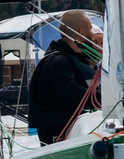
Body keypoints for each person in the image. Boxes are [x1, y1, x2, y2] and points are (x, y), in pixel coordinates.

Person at [26, 10, 102, 144]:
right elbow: (71, 91)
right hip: (59, 132)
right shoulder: (59, 61)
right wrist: (107, 98)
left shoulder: (77, 60)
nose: (93, 34)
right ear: (82, 32)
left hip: (80, 128)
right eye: (90, 28)